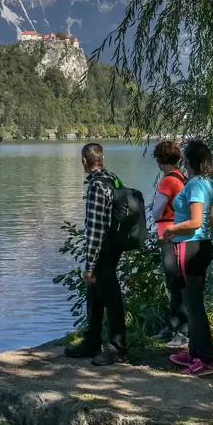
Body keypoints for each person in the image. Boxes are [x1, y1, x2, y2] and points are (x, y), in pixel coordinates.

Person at [64, 143, 128, 366]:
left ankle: (116, 347)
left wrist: (89, 265)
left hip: (103, 249)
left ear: (84, 161)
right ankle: (92, 340)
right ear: (101, 158)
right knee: (94, 294)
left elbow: (95, 228)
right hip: (115, 245)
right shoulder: (113, 178)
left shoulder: (96, 187)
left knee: (110, 296)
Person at [161, 140, 213, 376]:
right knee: (191, 301)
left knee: (194, 306)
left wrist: (171, 230)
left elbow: (196, 222)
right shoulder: (209, 183)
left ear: (189, 161)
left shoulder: (195, 184)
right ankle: (194, 353)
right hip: (201, 244)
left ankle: (205, 359)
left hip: (189, 246)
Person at [149, 140, 188, 349]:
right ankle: (173, 325)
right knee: (176, 282)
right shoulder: (182, 176)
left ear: (159, 160)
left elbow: (156, 211)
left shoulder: (167, 181)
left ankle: (182, 330)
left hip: (168, 235)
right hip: (179, 233)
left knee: (174, 282)